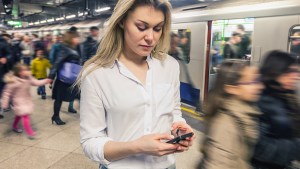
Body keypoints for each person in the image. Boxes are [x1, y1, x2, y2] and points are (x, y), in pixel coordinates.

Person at [78, 0, 194, 168]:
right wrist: (136, 146)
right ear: (122, 22)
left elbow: (174, 111)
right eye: (141, 27)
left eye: (157, 28)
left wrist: (179, 127)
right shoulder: (96, 73)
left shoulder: (169, 65)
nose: (150, 37)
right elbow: (90, 142)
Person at [198, 60, 263, 169]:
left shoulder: (243, 114)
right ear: (232, 88)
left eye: (258, 80)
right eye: (252, 82)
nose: (259, 86)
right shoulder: (226, 125)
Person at [251, 50, 300, 169]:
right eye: (289, 71)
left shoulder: (287, 95)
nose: (295, 76)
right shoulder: (261, 99)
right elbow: (259, 148)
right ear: (276, 71)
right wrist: (296, 147)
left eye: (296, 71)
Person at [1, 63, 51, 138]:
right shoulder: (13, 81)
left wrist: (45, 81)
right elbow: (7, 92)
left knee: (19, 115)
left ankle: (14, 126)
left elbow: (36, 82)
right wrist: (4, 103)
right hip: (18, 101)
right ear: (18, 72)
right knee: (25, 115)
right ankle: (30, 132)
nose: (26, 71)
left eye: (26, 69)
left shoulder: (28, 78)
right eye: (23, 70)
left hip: (27, 99)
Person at [48, 31, 81, 125]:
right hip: (64, 79)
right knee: (59, 98)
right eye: (76, 38)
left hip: (72, 78)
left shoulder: (73, 48)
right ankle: (56, 116)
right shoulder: (65, 48)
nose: (78, 39)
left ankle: (56, 116)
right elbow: (57, 62)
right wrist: (51, 76)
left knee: (79, 95)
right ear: (71, 38)